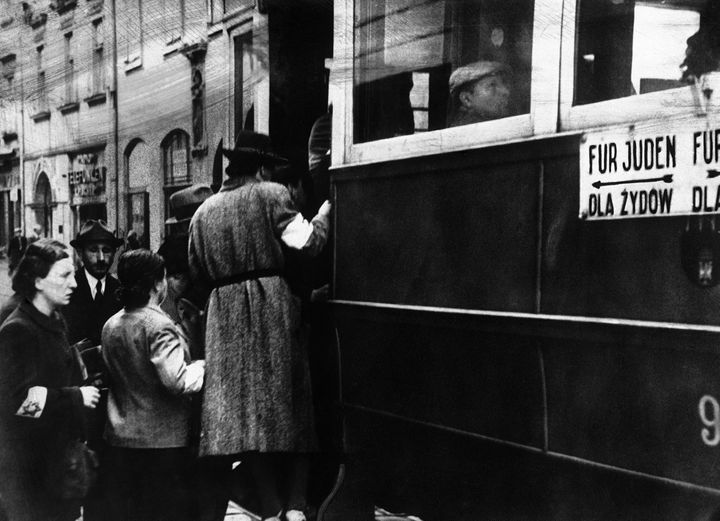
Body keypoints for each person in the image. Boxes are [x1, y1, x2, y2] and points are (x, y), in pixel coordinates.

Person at [189, 130, 332, 521]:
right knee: (292, 406)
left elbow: (198, 273)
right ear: (264, 168)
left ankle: (269, 510)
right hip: (271, 308)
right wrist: (325, 214)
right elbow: (307, 242)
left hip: (223, 315)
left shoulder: (202, 213)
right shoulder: (271, 195)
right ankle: (297, 507)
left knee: (243, 419)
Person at [0, 239, 101, 521]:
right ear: (38, 280)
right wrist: (74, 397)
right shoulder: (18, 329)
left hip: (56, 468)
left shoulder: (54, 321)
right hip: (30, 474)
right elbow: (18, 402)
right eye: (64, 275)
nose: (74, 284)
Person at [101, 249, 205, 521]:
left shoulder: (111, 325)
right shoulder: (159, 325)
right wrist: (204, 366)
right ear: (157, 283)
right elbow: (177, 381)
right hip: (162, 444)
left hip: (119, 440)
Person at [63, 219, 124, 346]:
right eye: (93, 250)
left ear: (114, 254)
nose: (101, 258)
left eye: (106, 250)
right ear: (80, 253)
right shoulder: (66, 289)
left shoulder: (121, 290)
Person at [448, 60, 513, 127]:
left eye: (504, 84)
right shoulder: (467, 131)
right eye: (492, 85)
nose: (506, 91)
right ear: (467, 99)